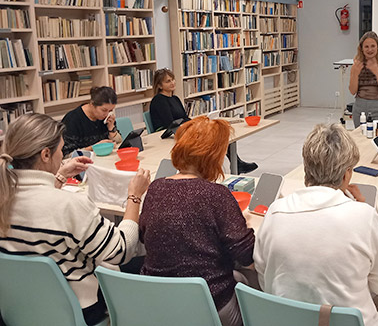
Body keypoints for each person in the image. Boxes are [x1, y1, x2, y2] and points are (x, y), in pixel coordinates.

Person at [254, 124, 378, 326]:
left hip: (286, 320)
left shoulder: (275, 212)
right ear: (347, 174)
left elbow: (263, 277)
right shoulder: (364, 217)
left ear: (306, 168)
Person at [0, 113, 150, 325]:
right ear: (45, 154)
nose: (62, 157)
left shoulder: (5, 196)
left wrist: (59, 177)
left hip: (22, 308)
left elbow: (36, 204)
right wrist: (134, 196)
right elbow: (121, 250)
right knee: (146, 259)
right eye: (61, 151)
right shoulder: (68, 205)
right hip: (79, 310)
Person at [139, 115, 255, 326]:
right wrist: (245, 224)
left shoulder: (155, 188)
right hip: (208, 303)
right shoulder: (217, 195)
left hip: (158, 300)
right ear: (214, 157)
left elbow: (143, 235)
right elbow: (247, 255)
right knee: (249, 285)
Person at [150, 68, 258, 174]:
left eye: (173, 79)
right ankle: (226, 166)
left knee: (218, 132)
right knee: (211, 136)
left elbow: (184, 117)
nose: (172, 83)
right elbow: (169, 123)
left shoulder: (175, 98)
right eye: (168, 81)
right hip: (169, 134)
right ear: (159, 85)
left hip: (181, 130)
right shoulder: (159, 100)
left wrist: (198, 122)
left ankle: (236, 163)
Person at [349, 32, 378, 127]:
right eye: (366, 47)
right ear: (361, 48)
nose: (370, 49)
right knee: (360, 138)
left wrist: (377, 72)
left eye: (373, 46)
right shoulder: (357, 66)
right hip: (359, 107)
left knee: (377, 137)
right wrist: (356, 74)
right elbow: (352, 91)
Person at [61, 86, 121, 156]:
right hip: (81, 162)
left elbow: (119, 143)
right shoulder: (72, 119)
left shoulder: (107, 118)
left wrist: (111, 128)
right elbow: (67, 155)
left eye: (110, 110)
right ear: (92, 105)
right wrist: (93, 148)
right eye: (104, 110)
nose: (107, 114)